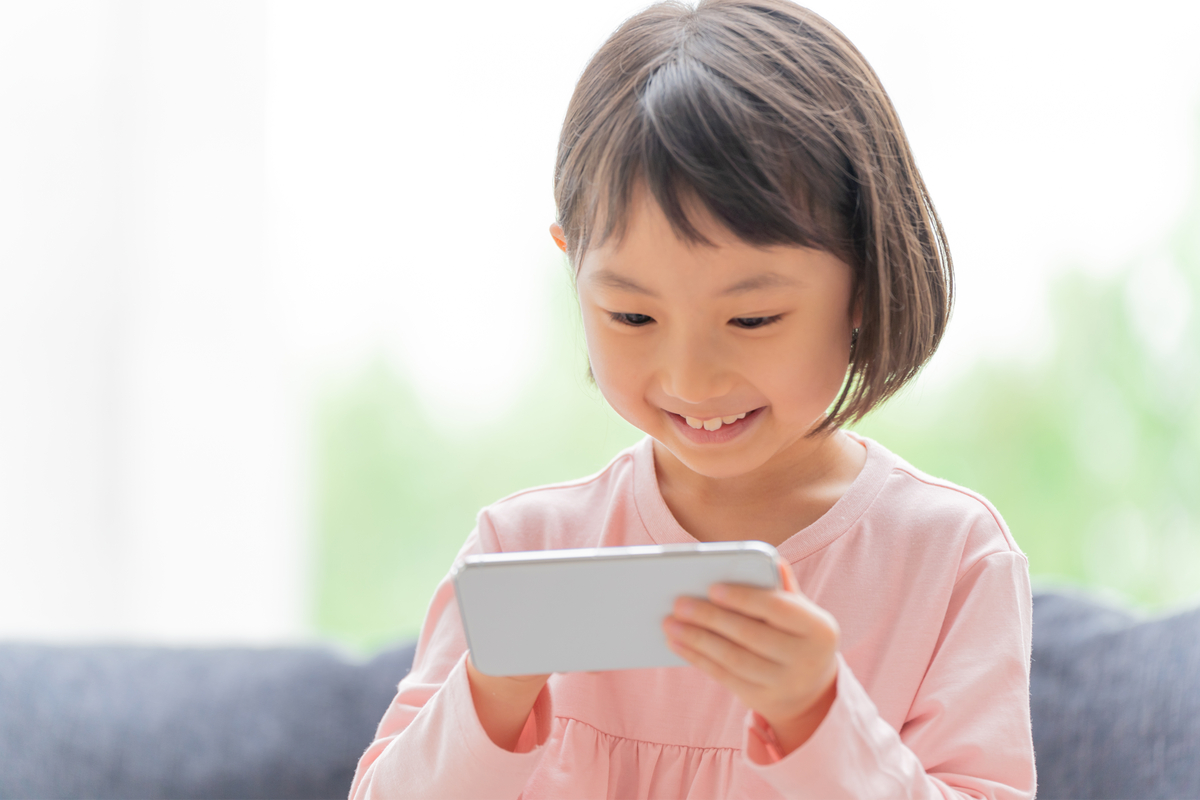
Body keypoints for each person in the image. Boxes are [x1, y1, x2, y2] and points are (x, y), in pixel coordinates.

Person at [350, 1, 1036, 797]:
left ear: (862, 278)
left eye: (752, 317)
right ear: (572, 269)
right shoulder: (523, 548)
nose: (691, 380)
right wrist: (490, 698)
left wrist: (821, 720)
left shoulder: (947, 559)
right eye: (631, 316)